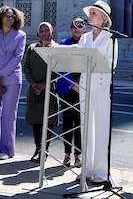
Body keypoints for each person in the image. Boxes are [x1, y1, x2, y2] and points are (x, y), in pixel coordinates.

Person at [77, 0, 118, 184]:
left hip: (101, 85)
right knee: (85, 127)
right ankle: (85, 169)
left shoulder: (111, 38)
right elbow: (77, 59)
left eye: (94, 13)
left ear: (103, 19)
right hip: (85, 84)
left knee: (101, 127)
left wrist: (94, 61)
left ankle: (101, 172)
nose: (90, 16)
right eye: (90, 12)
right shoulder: (84, 38)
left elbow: (111, 64)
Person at [0, 5, 26, 159]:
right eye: (7, 15)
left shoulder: (20, 35)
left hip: (11, 78)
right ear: (0, 17)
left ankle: (6, 149)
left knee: (8, 114)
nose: (9, 18)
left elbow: (18, 57)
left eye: (12, 16)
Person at [23, 22, 59, 162]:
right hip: (34, 90)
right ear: (38, 34)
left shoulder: (56, 49)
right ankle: (38, 148)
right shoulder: (32, 48)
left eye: (47, 30)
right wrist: (33, 84)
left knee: (48, 120)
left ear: (52, 33)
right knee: (36, 120)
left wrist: (44, 84)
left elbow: (57, 69)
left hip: (49, 89)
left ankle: (45, 149)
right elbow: (26, 67)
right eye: (41, 30)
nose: (44, 32)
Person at [56, 17, 85, 167]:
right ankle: (67, 153)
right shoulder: (63, 44)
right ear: (70, 29)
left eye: (79, 27)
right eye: (74, 27)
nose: (76, 30)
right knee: (67, 122)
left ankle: (78, 155)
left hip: (82, 88)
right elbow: (60, 66)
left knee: (80, 123)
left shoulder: (87, 45)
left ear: (84, 29)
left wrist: (80, 84)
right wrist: (72, 83)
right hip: (66, 88)